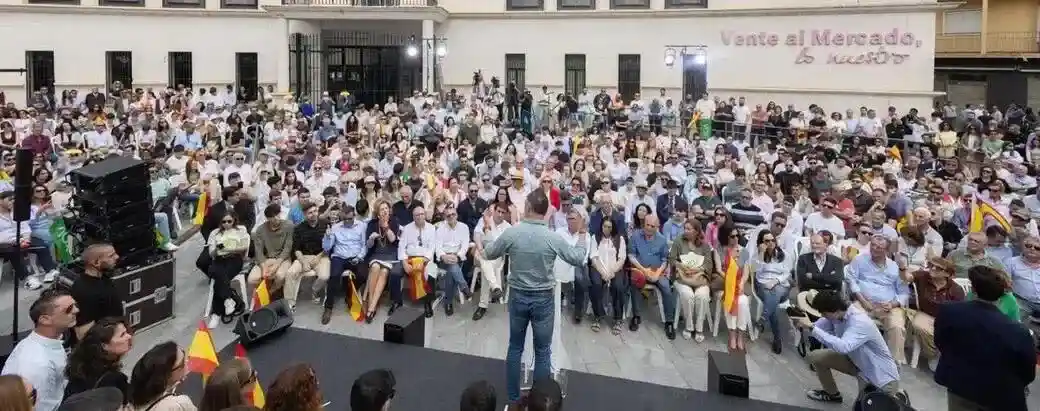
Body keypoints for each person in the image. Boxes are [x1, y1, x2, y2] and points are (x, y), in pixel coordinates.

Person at [482, 191, 588, 409]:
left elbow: (490, 252)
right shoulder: (552, 237)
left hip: (519, 296)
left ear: (529, 207)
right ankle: (541, 404)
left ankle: (513, 401)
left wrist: (486, 227)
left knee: (515, 348)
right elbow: (577, 258)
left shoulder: (513, 233)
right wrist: (583, 232)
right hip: (543, 300)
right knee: (542, 352)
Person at [935, 265, 1035, 411]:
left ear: (973, 289)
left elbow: (941, 342)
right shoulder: (1018, 332)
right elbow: (1027, 373)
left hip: (959, 385)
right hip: (999, 395)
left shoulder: (949, 311)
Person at [794, 290, 901, 404]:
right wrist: (801, 320)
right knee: (816, 357)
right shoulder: (836, 316)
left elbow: (844, 347)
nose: (822, 316)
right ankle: (832, 394)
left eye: (824, 313)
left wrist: (811, 328)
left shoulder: (859, 321)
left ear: (835, 311)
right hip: (856, 363)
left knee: (862, 407)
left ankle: (897, 397)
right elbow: (817, 328)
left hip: (880, 378)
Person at [1, 289, 78, 411]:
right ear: (45, 319)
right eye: (68, 309)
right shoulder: (37, 365)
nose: (76, 310)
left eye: (75, 305)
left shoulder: (46, 341)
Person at [63, 317, 133, 400]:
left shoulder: (81, 367)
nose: (129, 336)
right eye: (122, 335)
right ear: (104, 346)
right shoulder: (114, 380)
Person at [322, 205, 369, 323]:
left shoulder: (362, 226)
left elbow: (364, 245)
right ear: (342, 218)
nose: (348, 221)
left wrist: (359, 257)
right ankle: (328, 307)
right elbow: (327, 248)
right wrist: (327, 236)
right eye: (345, 219)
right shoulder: (335, 227)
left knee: (363, 275)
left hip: (356, 256)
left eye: (350, 218)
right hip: (339, 257)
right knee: (334, 276)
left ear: (354, 216)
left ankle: (349, 294)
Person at [69, 243, 121, 345]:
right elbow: (83, 334)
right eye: (111, 256)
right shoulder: (84, 291)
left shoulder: (103, 277)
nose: (117, 257)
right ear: (96, 262)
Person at [206, 211, 250, 328]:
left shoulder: (240, 231)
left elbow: (245, 247)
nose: (226, 224)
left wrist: (230, 249)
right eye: (224, 222)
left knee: (219, 279)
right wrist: (218, 248)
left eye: (229, 221)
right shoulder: (215, 233)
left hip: (234, 259)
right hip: (219, 259)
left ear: (234, 220)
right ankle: (227, 300)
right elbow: (211, 254)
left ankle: (216, 313)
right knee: (217, 273)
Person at [128, 341, 195, 411]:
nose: (187, 361)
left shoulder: (131, 400)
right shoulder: (180, 404)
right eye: (182, 363)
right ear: (167, 375)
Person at [248, 204, 293, 295]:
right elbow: (258, 251)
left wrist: (276, 265)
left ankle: (271, 291)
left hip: (283, 259)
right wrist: (264, 267)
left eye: (277, 214)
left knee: (280, 276)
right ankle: (263, 293)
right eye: (272, 217)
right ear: (267, 218)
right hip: (267, 258)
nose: (276, 218)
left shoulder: (289, 225)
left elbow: (287, 247)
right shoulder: (261, 229)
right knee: (251, 279)